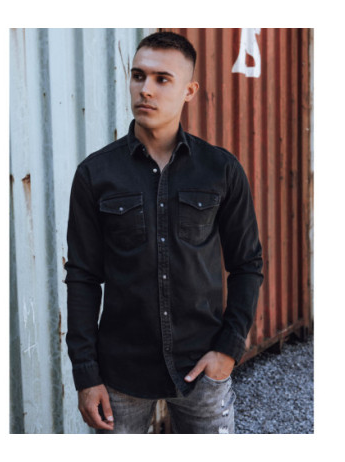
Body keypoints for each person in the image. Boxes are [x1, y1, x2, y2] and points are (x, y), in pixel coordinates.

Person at [64, 31, 263, 434]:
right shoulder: (95, 174)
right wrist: (86, 374)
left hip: (202, 369)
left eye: (162, 79)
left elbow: (247, 264)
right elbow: (83, 277)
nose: (146, 89)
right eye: (138, 76)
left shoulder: (220, 169)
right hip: (120, 374)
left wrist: (227, 350)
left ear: (189, 91)